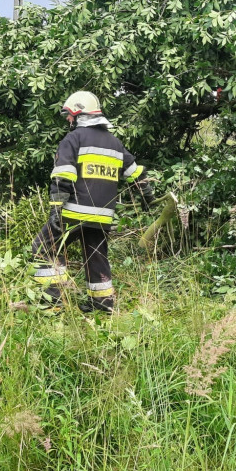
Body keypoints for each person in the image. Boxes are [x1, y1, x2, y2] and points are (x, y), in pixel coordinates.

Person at [32, 91, 156, 314]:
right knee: (96, 257)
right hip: (102, 217)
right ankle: (102, 305)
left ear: (79, 114)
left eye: (70, 115)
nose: (68, 120)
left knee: (44, 248)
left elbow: (63, 175)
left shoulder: (74, 139)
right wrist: (149, 198)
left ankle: (53, 305)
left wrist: (56, 210)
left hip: (73, 213)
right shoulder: (115, 144)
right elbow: (136, 174)